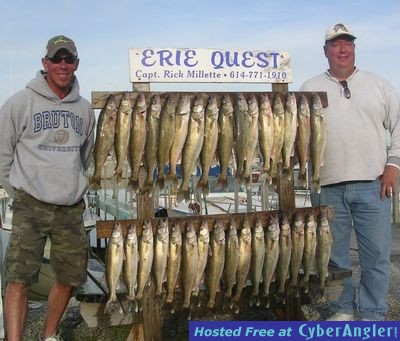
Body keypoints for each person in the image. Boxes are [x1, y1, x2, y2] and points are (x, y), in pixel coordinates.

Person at [300, 23, 400, 321]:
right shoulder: (309, 88)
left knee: (376, 257)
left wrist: (393, 164)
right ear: (325, 51)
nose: (343, 49)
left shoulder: (379, 84)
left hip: (374, 184)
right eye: (335, 44)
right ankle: (341, 309)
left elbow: (397, 126)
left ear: (354, 48)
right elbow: (298, 134)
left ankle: (373, 312)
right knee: (333, 257)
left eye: (348, 43)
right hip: (327, 185)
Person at [0, 35, 95, 340]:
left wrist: (73, 185)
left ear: (76, 64)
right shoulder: (19, 103)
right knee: (18, 279)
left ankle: (49, 335)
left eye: (69, 59)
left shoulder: (85, 109)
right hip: (30, 205)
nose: (63, 65)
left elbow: (86, 155)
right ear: (46, 64)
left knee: (69, 276)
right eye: (57, 59)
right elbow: (2, 154)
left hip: (70, 207)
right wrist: (18, 192)